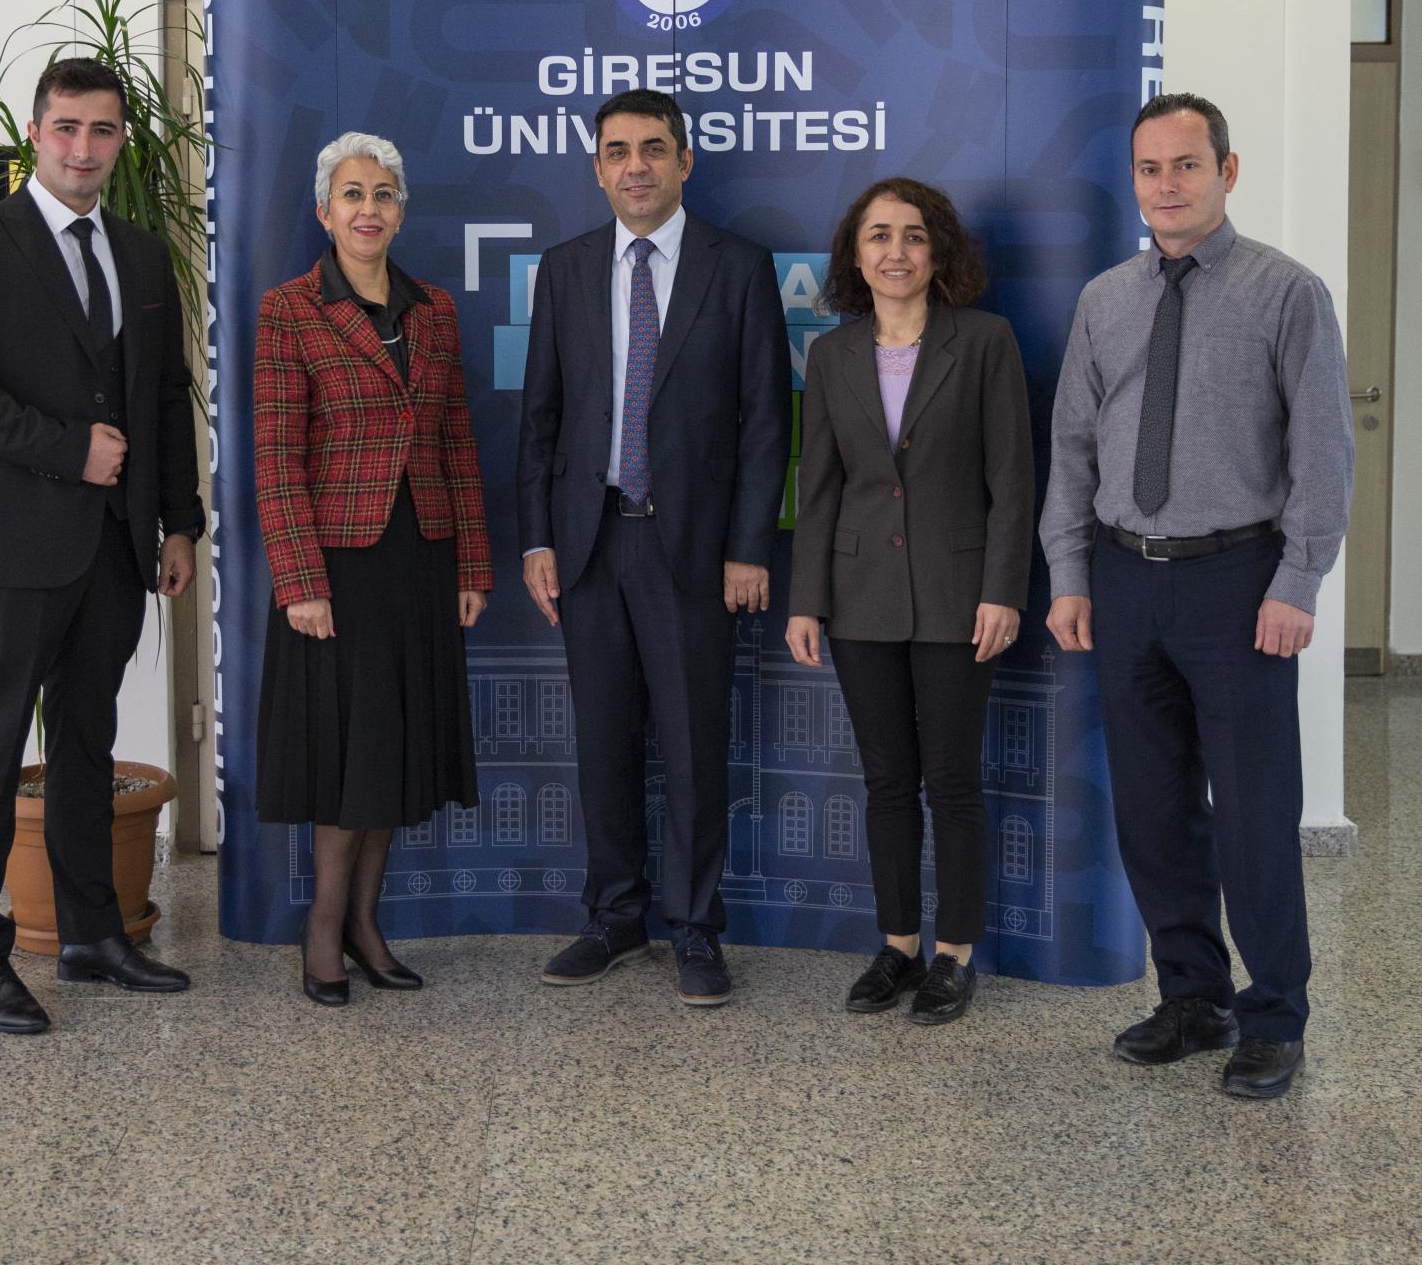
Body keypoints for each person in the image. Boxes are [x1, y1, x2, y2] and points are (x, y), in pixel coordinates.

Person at [1041, 93, 1354, 1101]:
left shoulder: (1286, 291)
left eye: (1185, 164)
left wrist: (1298, 580)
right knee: (1154, 806)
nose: (1166, 185)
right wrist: (1070, 573)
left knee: (1254, 813)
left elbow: (1323, 451)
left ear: (1228, 170)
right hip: (1125, 577)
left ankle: (1275, 1016)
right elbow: (1073, 448)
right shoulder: (1106, 300)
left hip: (1238, 583)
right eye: (1149, 168)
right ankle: (1192, 997)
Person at [0, 59, 203, 1034]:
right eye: (68, 128)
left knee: (87, 744)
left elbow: (164, 396)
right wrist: (68, 449)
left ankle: (91, 936)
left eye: (103, 130)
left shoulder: (143, 254)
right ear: (35, 133)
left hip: (116, 549)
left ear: (121, 141)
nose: (85, 148)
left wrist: (179, 521)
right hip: (14, 545)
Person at [517, 89, 790, 1009]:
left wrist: (749, 547)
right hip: (589, 545)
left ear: (684, 162)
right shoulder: (564, 268)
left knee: (693, 745)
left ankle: (696, 927)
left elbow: (765, 424)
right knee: (604, 744)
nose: (635, 165)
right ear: (597, 168)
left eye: (653, 148)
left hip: (696, 552)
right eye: (617, 151)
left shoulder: (738, 267)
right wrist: (538, 539)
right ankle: (614, 917)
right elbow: (541, 418)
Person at [786, 179, 1033, 1025]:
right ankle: (897, 946)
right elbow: (818, 487)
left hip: (960, 597)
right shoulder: (832, 356)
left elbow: (1012, 481)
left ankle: (955, 954)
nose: (897, 251)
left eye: (914, 235)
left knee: (952, 782)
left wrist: (1002, 590)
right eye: (880, 235)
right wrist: (806, 601)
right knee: (887, 781)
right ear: (856, 256)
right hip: (860, 599)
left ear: (939, 252)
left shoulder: (986, 341)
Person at [253, 132, 491, 1006]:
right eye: (352, 194)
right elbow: (275, 458)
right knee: (346, 757)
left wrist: (471, 565)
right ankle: (323, 927)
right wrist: (299, 582)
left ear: (399, 211)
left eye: (383, 194)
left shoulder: (433, 309)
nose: (368, 209)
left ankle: (366, 922)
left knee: (394, 750)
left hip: (420, 560)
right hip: (337, 571)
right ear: (325, 212)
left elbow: (456, 441)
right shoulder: (289, 309)